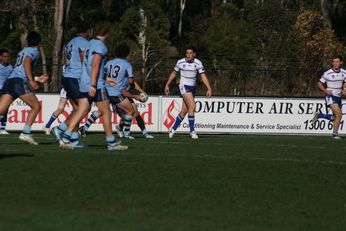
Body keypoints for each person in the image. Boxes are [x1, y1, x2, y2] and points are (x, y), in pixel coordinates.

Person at [59, 22, 127, 150]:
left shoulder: (90, 43)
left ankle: (65, 137)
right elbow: (95, 65)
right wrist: (94, 85)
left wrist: (104, 79)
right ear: (107, 33)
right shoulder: (101, 46)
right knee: (106, 112)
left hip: (84, 82)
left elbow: (88, 64)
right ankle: (111, 143)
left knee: (82, 110)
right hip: (95, 84)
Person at [79, 44, 145, 139]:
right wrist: (133, 90)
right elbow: (131, 81)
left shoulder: (109, 62)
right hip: (116, 92)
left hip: (105, 90)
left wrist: (109, 80)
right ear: (126, 53)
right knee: (130, 111)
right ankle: (126, 133)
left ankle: (84, 128)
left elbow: (103, 75)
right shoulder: (127, 64)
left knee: (101, 111)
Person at [0, 32, 48, 145]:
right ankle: (26, 133)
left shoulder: (23, 50)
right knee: (36, 106)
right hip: (19, 82)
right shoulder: (34, 51)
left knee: (1, 110)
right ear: (39, 43)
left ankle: (26, 134)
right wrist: (31, 81)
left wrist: (36, 78)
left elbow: (20, 68)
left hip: (10, 81)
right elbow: (26, 62)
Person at [52, 20, 89, 146]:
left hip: (67, 77)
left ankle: (74, 139)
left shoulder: (70, 43)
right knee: (84, 108)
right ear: (87, 31)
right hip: (75, 78)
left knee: (77, 109)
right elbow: (85, 61)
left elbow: (66, 62)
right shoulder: (84, 42)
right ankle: (61, 129)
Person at [165, 46, 212, 139]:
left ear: (194, 54)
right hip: (183, 86)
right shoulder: (180, 62)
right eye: (187, 53)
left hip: (192, 88)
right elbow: (174, 73)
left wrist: (209, 88)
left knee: (184, 111)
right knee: (192, 106)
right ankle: (192, 131)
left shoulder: (198, 63)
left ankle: (173, 129)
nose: (189, 55)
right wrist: (167, 84)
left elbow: (203, 76)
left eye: (191, 53)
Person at [310, 55, 346, 139]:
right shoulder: (328, 73)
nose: (335, 63)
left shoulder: (344, 72)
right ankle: (334, 134)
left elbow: (345, 81)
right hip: (330, 96)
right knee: (339, 115)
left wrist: (344, 89)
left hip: (338, 97)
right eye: (334, 62)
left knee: (335, 117)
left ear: (341, 62)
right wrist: (326, 91)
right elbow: (319, 83)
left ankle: (320, 115)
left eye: (337, 62)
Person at [0, 48, 13, 135]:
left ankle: (2, 128)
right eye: (4, 56)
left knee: (5, 109)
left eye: (8, 56)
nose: (6, 58)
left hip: (6, 90)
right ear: (0, 57)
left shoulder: (10, 67)